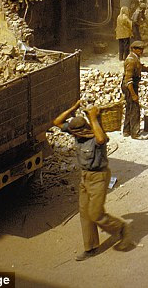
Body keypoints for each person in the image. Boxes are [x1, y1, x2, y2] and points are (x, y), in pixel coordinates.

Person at [51, 99, 132, 261]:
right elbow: (57, 122)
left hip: (99, 177)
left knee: (95, 214)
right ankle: (91, 247)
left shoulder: (96, 135)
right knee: (85, 213)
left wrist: (93, 117)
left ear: (80, 131)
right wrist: (73, 107)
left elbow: (102, 139)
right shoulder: (77, 133)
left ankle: (121, 228)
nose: (71, 135)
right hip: (85, 177)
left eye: (74, 133)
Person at [121, 40, 148, 139]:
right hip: (130, 86)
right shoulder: (131, 60)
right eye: (139, 49)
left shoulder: (135, 58)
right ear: (133, 49)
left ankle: (126, 130)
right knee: (134, 109)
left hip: (131, 85)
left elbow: (140, 67)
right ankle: (135, 133)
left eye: (142, 49)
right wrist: (133, 95)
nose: (141, 51)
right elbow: (128, 80)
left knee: (130, 108)